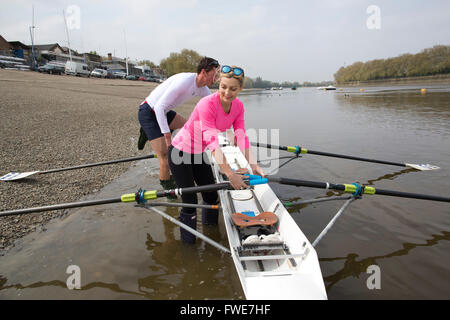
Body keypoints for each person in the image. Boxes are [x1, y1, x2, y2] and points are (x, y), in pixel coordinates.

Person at [168, 65, 265, 244]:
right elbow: (212, 141)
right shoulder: (207, 104)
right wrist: (230, 173)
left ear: (240, 89)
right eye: (223, 87)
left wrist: (253, 164)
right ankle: (188, 247)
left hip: (198, 153)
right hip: (180, 151)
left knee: (211, 195)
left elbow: (241, 135)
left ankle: (210, 233)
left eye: (233, 89)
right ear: (219, 85)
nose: (227, 92)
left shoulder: (238, 106)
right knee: (189, 200)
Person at [138, 57, 220, 193]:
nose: (216, 78)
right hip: (149, 112)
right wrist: (167, 137)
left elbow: (214, 108)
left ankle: (150, 132)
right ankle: (168, 189)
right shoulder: (184, 82)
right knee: (165, 156)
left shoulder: (203, 89)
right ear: (204, 73)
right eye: (214, 74)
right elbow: (158, 108)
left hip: (165, 112)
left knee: (188, 126)